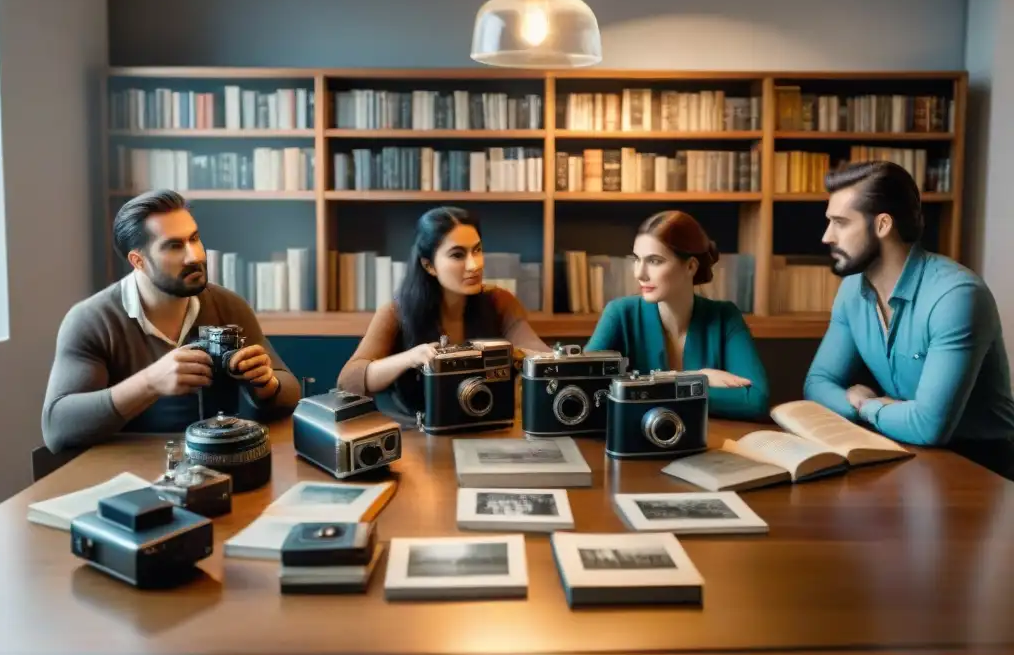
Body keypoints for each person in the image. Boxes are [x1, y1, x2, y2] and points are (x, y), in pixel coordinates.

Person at [41, 190, 301, 453]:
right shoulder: (92, 320)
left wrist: (267, 385)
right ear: (138, 261)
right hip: (127, 473)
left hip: (215, 465)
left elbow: (289, 390)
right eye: (174, 246)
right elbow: (58, 428)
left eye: (195, 239)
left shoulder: (228, 305)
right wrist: (149, 383)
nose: (195, 256)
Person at [803, 160, 1014, 449]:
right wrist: (870, 406)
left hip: (983, 463)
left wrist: (867, 406)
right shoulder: (852, 290)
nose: (827, 236)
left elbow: (928, 426)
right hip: (905, 448)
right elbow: (816, 384)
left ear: (882, 225)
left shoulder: (956, 296)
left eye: (840, 222)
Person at [337, 206, 550, 417]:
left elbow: (542, 355)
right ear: (429, 265)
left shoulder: (499, 301)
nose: (474, 265)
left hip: (486, 427)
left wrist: (512, 353)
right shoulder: (396, 311)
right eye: (457, 255)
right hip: (418, 433)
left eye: (477, 250)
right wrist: (411, 357)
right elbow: (348, 381)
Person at [584, 211, 770, 421]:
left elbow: (755, 400)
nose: (639, 273)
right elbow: (587, 388)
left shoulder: (725, 317)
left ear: (691, 266)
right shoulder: (619, 313)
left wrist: (655, 389)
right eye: (637, 260)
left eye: (654, 261)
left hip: (709, 443)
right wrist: (690, 380)